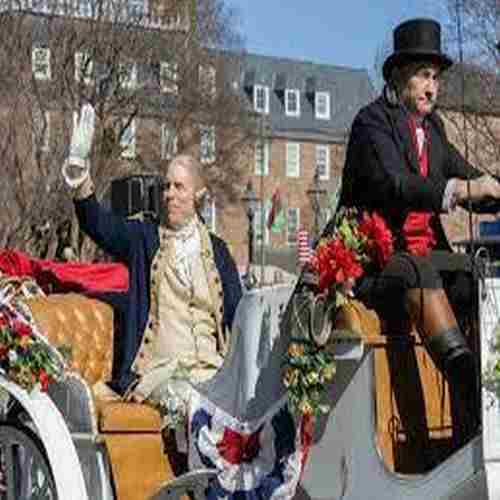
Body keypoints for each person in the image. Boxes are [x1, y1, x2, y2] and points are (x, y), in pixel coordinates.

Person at [338, 18, 500, 447]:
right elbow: (396, 184)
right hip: (376, 263)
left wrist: (492, 189)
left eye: (437, 78)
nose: (433, 87)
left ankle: (475, 420)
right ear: (398, 76)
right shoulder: (371, 124)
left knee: (475, 276)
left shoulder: (433, 129)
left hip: (426, 258)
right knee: (414, 271)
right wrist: (461, 188)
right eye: (424, 76)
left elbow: (469, 179)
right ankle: (469, 383)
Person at [62, 105, 242, 430]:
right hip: (161, 373)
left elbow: (238, 316)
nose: (169, 194)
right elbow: (98, 224)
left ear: (199, 195)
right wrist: (79, 174)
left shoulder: (218, 251)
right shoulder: (144, 238)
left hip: (212, 371)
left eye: (179, 187)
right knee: (195, 405)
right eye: (167, 186)